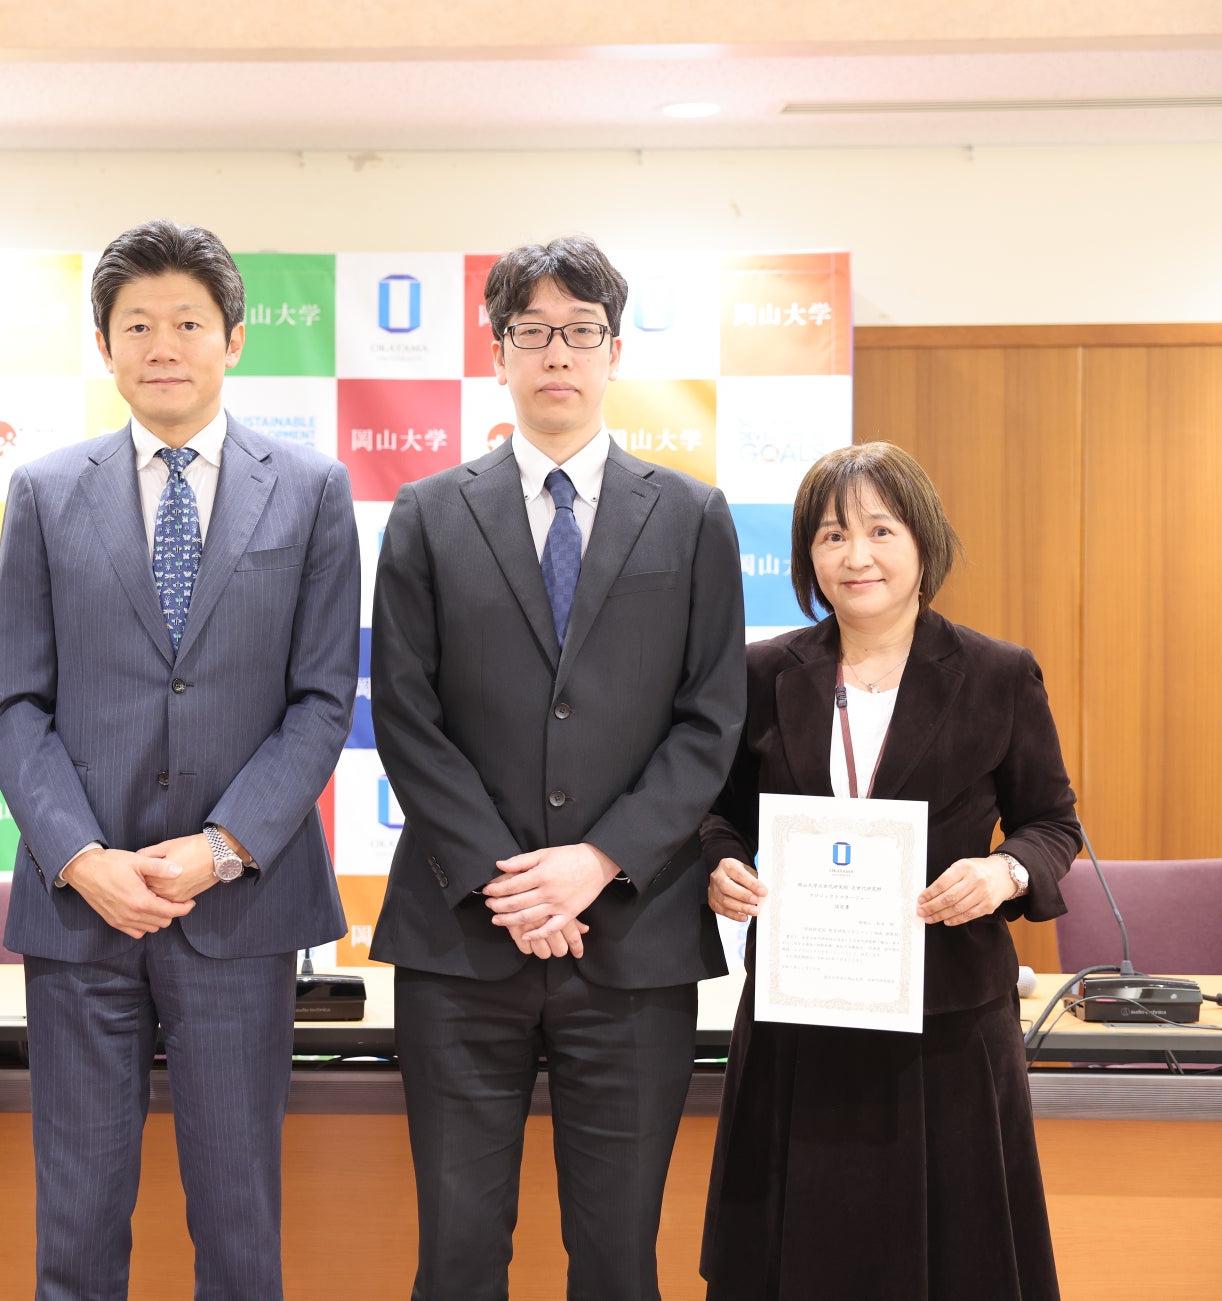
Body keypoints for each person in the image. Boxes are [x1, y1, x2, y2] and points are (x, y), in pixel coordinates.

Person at [0, 219, 359, 1301]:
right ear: (105, 345)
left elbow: (322, 699)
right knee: (77, 1220)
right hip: (81, 914)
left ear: (233, 339)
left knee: (239, 1222)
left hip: (241, 910)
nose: (163, 345)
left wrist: (223, 846)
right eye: (137, 324)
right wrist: (80, 857)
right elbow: (14, 704)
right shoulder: (46, 490)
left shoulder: (312, 488)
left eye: (188, 322)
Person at [369, 235, 747, 1301]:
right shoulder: (428, 514)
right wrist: (511, 881)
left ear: (615, 350)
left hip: (634, 935)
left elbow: (710, 719)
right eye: (531, 331)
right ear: (497, 353)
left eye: (581, 331)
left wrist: (596, 860)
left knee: (620, 1256)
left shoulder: (693, 516)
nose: (557, 353)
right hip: (461, 938)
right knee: (457, 1254)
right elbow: (406, 715)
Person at [701, 441, 1077, 1300]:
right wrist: (719, 862)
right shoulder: (763, 673)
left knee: (955, 1264)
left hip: (947, 1027)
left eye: (880, 530)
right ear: (808, 556)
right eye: (833, 535)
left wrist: (1005, 873)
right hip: (800, 1021)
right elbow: (715, 813)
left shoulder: (997, 673)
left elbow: (1052, 823)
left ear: (923, 542)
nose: (856, 555)